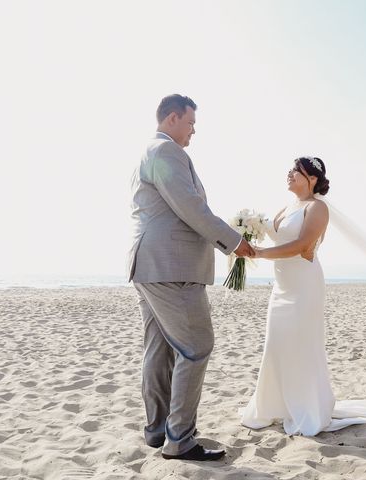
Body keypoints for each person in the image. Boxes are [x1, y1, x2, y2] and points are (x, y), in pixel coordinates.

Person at [240, 157, 366, 435]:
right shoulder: (288, 207)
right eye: (290, 170)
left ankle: (307, 406)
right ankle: (275, 406)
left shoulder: (318, 208)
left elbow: (303, 246)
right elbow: (277, 236)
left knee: (301, 345)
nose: (289, 174)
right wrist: (245, 228)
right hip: (281, 287)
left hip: (304, 286)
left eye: (296, 171)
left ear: (312, 178)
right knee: (277, 343)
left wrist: (260, 253)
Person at [128, 94, 254, 460]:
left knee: (160, 349)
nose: (193, 132)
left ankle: (156, 432)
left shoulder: (147, 153)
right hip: (171, 268)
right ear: (171, 118)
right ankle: (179, 440)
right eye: (190, 124)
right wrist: (233, 242)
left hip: (148, 266)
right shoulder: (166, 152)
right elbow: (190, 207)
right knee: (196, 347)